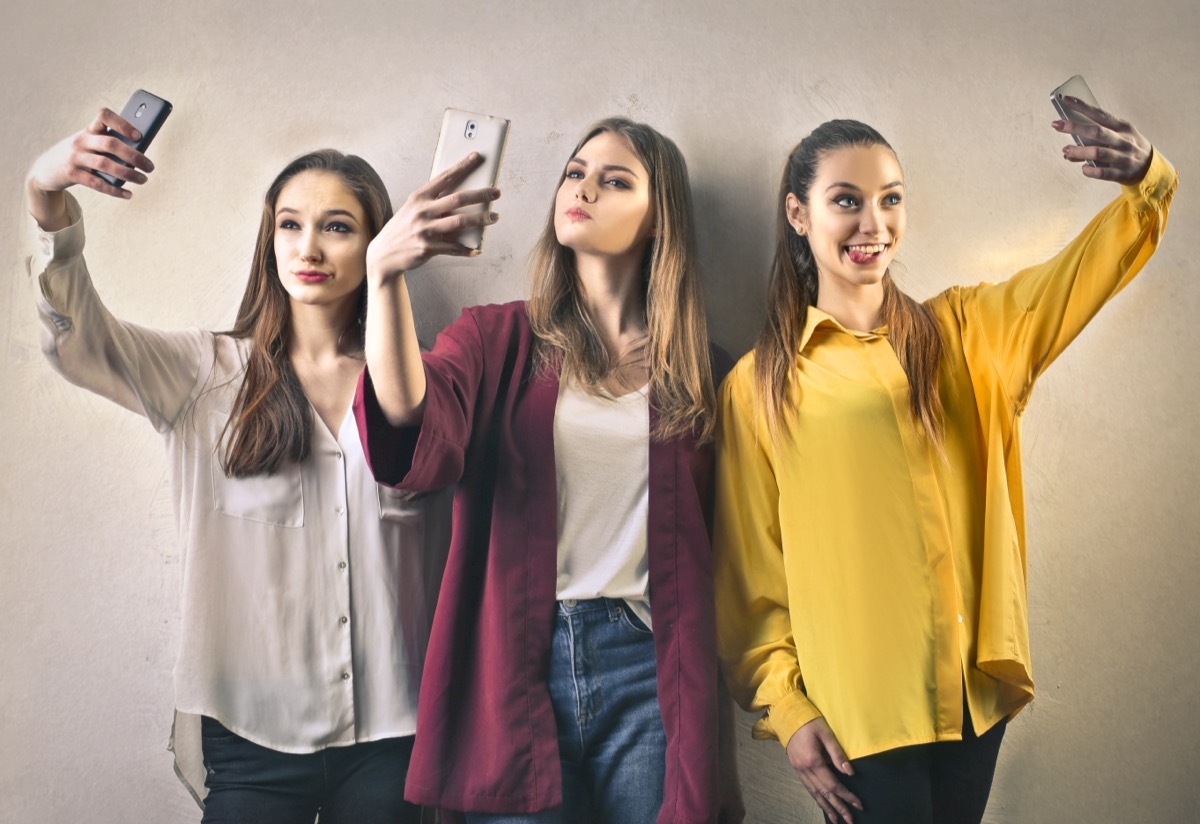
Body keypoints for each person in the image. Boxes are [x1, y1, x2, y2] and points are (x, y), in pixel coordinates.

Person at [713, 98, 1175, 824]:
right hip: (859, 716)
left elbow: (1076, 280)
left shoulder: (966, 332)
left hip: (973, 702)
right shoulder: (761, 385)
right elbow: (749, 574)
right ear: (799, 214)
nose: (875, 224)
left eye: (890, 200)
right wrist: (788, 707)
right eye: (847, 201)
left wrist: (1147, 180)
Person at [24, 106, 488, 822]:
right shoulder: (203, 373)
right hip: (247, 735)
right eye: (290, 224)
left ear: (375, 241)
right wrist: (45, 194)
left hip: (394, 731)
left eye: (338, 226)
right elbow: (80, 340)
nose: (309, 245)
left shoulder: (416, 387)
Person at [355, 117, 733, 823]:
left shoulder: (703, 372)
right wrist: (384, 276)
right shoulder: (496, 339)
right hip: (516, 662)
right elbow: (409, 424)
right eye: (575, 171)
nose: (583, 187)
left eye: (615, 180)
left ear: (660, 222)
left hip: (650, 670)